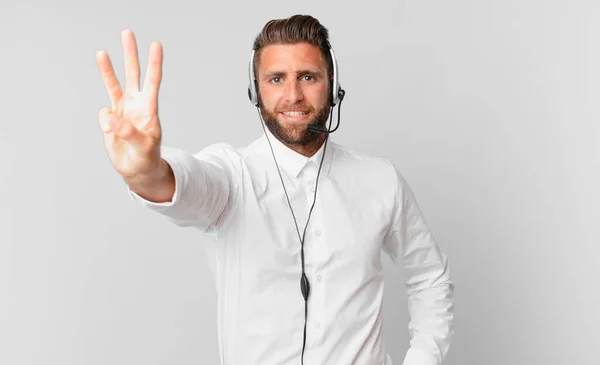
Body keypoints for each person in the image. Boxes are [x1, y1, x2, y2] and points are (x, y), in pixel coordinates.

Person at [95, 14, 454, 365]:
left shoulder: (381, 181)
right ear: (256, 90)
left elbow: (429, 278)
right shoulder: (232, 176)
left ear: (333, 86)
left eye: (308, 77)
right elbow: (186, 184)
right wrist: (145, 171)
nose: (293, 95)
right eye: (276, 78)